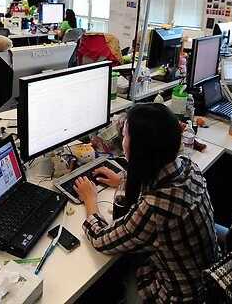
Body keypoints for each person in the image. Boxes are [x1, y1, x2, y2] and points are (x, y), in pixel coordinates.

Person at [73, 103, 218, 304]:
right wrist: (123, 179)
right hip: (207, 277)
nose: (122, 142)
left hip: (177, 296)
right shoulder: (189, 167)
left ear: (140, 148)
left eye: (124, 136)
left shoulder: (155, 207)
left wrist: (90, 201)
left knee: (110, 274)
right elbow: (158, 175)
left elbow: (101, 240)